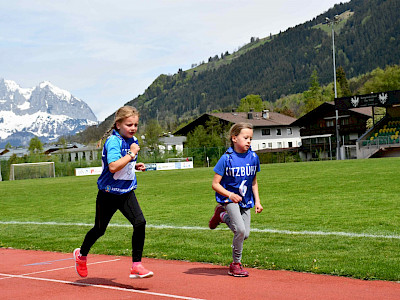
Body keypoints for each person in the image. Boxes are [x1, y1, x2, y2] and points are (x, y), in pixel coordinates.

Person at [73, 106, 153, 279]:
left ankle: (136, 265)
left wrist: (135, 165)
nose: (133, 128)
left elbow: (124, 164)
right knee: (99, 230)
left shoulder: (133, 141)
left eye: (136, 125)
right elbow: (113, 166)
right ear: (118, 124)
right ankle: (81, 256)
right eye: (129, 124)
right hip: (108, 194)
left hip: (126, 192)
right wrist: (131, 155)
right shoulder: (113, 142)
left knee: (140, 222)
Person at [209, 122, 263, 277]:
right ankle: (235, 264)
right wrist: (229, 195)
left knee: (244, 234)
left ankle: (221, 216)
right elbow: (215, 184)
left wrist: (257, 201)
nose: (248, 141)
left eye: (250, 138)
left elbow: (254, 181)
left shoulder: (253, 157)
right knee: (239, 230)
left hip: (246, 200)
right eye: (245, 137)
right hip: (229, 199)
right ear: (234, 138)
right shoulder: (226, 159)